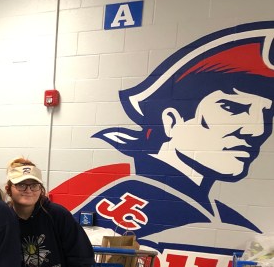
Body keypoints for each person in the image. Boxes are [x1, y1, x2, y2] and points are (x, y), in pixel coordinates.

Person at [52, 22, 274, 238]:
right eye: (233, 108)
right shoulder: (125, 195)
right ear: (171, 120)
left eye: (266, 114)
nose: (256, 130)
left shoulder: (224, 219)